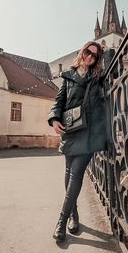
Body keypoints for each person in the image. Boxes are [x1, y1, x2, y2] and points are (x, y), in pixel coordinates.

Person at [48, 41, 107, 243]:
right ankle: (74, 214)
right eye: (88, 52)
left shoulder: (98, 76)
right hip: (71, 130)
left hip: (89, 133)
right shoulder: (68, 76)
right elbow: (59, 101)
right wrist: (55, 118)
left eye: (95, 56)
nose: (90, 57)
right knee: (68, 173)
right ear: (82, 52)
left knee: (76, 174)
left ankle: (61, 221)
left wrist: (105, 57)